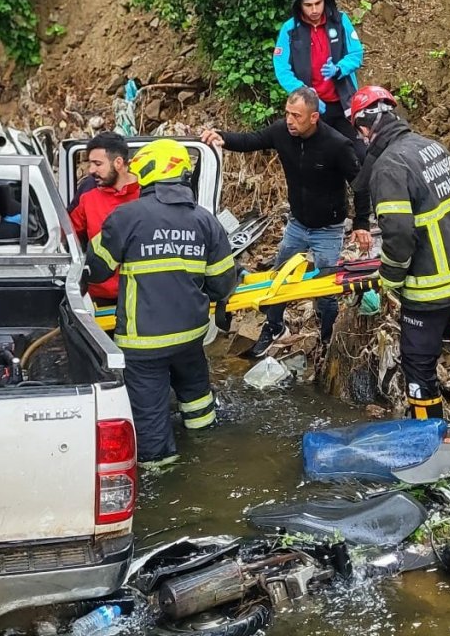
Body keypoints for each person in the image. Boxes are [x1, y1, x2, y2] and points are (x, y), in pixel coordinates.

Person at [349, 85, 450, 419]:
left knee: (418, 363)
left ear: (366, 128)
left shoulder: (389, 167)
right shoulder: (431, 147)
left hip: (432, 282)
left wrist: (390, 278)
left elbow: (398, 234)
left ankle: (430, 438)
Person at [86, 139, 238, 466]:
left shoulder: (125, 216)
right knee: (198, 403)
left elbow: (96, 270)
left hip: (144, 344)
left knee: (150, 418)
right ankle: (207, 452)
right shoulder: (205, 220)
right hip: (191, 337)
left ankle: (162, 474)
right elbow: (223, 283)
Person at [201, 87, 372, 357]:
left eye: (297, 116)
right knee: (278, 278)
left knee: (325, 288)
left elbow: (360, 185)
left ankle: (326, 338)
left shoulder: (337, 145)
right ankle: (274, 326)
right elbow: (251, 140)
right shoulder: (282, 131)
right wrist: (222, 137)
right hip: (297, 224)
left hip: (328, 228)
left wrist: (362, 224)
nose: (290, 120)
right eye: (287, 113)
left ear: (314, 117)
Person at [273, 0, 366, 164]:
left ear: (325, 0)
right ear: (299, 5)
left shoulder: (340, 21)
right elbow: (282, 68)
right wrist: (303, 91)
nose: (314, 10)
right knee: (318, 160)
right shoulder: (290, 30)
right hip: (312, 107)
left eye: (318, 3)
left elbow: (356, 54)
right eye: (308, 5)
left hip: (344, 102)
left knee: (361, 154)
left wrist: (339, 68)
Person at [69, 132, 140, 305]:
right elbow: (68, 235)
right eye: (90, 163)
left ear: (118, 163)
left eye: (98, 164)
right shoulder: (88, 194)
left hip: (141, 296)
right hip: (99, 297)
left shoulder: (146, 192)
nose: (91, 170)